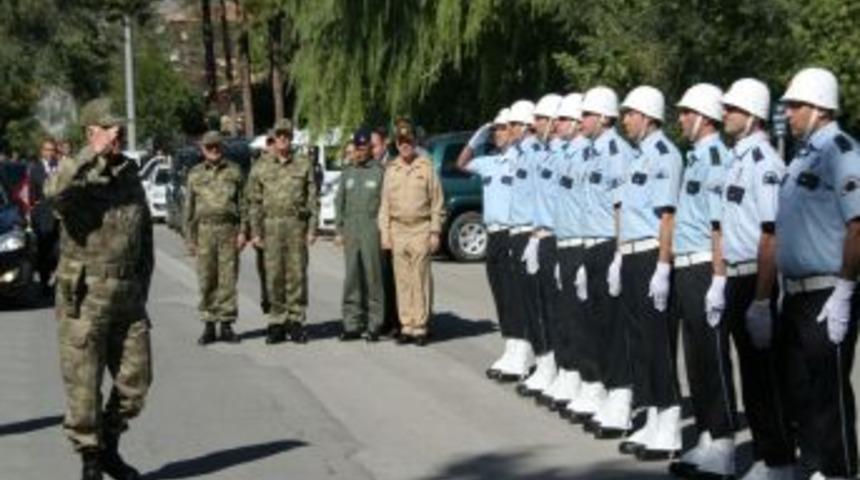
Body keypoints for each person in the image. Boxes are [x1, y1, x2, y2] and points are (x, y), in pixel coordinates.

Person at [45, 98, 153, 480]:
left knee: (135, 384)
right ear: (91, 132)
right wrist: (90, 153)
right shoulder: (75, 176)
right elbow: (53, 193)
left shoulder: (130, 175)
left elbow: (145, 238)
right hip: (85, 295)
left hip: (126, 294)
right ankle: (90, 460)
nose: (117, 134)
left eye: (119, 128)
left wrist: (142, 287)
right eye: (109, 128)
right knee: (84, 386)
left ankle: (109, 446)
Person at [777, 67, 860, 480]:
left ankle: (840, 471)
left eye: (795, 106)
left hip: (827, 291)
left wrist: (845, 290)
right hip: (794, 292)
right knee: (798, 389)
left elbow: (857, 224)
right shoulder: (803, 156)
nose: (788, 114)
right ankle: (811, 468)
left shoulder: (841, 150)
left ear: (819, 109)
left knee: (828, 394)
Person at [720, 78, 795, 480]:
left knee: (765, 378)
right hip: (736, 277)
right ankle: (768, 457)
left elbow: (770, 234)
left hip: (755, 279)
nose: (725, 114)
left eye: (731, 109)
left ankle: (780, 460)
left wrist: (763, 300)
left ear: (751, 115)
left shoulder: (765, 163)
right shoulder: (738, 160)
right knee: (750, 375)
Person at [667, 83, 738, 479]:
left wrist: (718, 277)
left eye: (686, 112)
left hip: (703, 268)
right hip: (686, 266)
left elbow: (719, 226)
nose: (680, 118)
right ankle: (709, 435)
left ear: (704, 117)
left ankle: (725, 442)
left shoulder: (715, 159)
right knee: (695, 358)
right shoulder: (696, 158)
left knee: (713, 355)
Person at [564, 87, 633, 426]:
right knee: (594, 323)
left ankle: (621, 394)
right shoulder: (591, 152)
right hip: (589, 245)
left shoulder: (616, 151)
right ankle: (604, 388)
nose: (582, 121)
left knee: (612, 326)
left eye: (587, 115)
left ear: (605, 117)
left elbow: (621, 205)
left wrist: (620, 253)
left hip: (609, 244)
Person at [539, 93, 592, 411]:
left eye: (561, 120)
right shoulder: (567, 154)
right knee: (567, 318)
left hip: (582, 244)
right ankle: (573, 372)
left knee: (584, 320)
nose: (555, 125)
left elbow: (591, 207)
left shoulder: (587, 155)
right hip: (564, 241)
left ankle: (591, 380)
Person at [246, 118, 320, 344]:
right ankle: (277, 322)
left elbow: (312, 198)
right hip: (271, 226)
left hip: (296, 225)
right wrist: (255, 231)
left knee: (297, 274)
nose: (283, 139)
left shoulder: (303, 164)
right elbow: (254, 201)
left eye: (286, 135)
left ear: (291, 138)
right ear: (274, 138)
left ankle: (295, 321)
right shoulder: (261, 166)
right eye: (279, 135)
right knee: (274, 275)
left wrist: (312, 229)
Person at [456, 108, 517, 378]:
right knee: (501, 294)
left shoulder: (519, 160)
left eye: (502, 129)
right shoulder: (489, 160)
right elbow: (461, 164)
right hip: (492, 233)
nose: (497, 134)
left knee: (515, 295)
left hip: (512, 232)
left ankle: (521, 349)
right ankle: (511, 345)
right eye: (494, 130)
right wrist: (474, 141)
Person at [515, 94, 566, 399]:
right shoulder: (544, 154)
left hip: (558, 238)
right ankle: (548, 365)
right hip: (541, 235)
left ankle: (562, 369)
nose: (535, 127)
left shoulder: (561, 157)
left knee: (559, 313)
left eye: (541, 120)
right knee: (542, 309)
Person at [377, 121, 444, 345]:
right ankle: (406, 325)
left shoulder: (426, 167)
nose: (405, 145)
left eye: (408, 141)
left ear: (414, 142)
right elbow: (384, 204)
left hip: (420, 228)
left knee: (420, 278)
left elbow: (437, 202)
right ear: (396, 144)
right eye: (401, 142)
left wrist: (435, 231)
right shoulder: (391, 169)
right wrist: (385, 234)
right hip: (398, 229)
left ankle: (421, 326)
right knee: (402, 280)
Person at [184, 131, 245, 345]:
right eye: (209, 147)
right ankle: (209, 325)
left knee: (228, 279)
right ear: (203, 150)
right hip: (205, 231)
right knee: (207, 278)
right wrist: (189, 238)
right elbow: (189, 209)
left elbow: (243, 204)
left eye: (217, 146)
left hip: (228, 230)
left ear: (222, 147)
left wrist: (243, 231)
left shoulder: (235, 171)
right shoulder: (195, 174)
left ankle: (226, 325)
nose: (213, 150)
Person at [335, 128, 385, 342]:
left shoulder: (380, 172)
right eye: (358, 147)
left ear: (370, 148)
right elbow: (340, 203)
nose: (361, 150)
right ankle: (351, 324)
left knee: (373, 277)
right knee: (352, 278)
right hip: (351, 230)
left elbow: (386, 204)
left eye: (364, 147)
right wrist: (339, 230)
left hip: (372, 229)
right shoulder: (348, 172)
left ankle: (374, 324)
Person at [372, 126, 401, 337]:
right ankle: (385, 318)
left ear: (384, 144)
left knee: (394, 277)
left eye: (374, 145)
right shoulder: (373, 165)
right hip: (378, 227)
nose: (372, 150)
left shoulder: (393, 164)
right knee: (381, 276)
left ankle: (398, 321)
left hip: (395, 228)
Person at [28, 138, 61, 293]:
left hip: (60, 216)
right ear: (42, 151)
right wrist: (33, 213)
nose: (50, 153)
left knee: (58, 249)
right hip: (42, 216)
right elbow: (31, 194)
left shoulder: (60, 167)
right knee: (44, 250)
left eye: (53, 150)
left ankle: (58, 279)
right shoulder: (35, 169)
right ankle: (44, 283)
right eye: (47, 150)